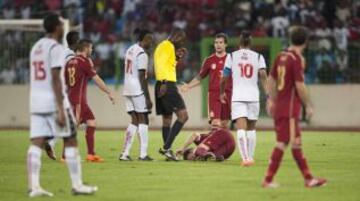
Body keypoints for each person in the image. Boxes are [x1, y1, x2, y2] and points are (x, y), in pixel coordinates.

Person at [27, 13, 97, 197]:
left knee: (37, 141)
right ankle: (77, 185)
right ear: (56, 27)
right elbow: (56, 80)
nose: (62, 27)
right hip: (53, 99)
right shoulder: (55, 48)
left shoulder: (36, 47)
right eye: (60, 24)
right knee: (71, 138)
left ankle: (34, 187)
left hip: (36, 100)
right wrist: (60, 107)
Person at [263, 26, 327, 188]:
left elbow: (270, 81)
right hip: (290, 109)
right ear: (305, 42)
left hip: (281, 108)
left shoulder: (280, 56)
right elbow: (299, 86)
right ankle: (268, 180)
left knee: (293, 143)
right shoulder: (296, 59)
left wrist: (272, 100)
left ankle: (308, 178)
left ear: (291, 39)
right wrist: (308, 106)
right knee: (284, 143)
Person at [220, 31, 268, 166]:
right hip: (253, 96)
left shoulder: (231, 56)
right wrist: (268, 96)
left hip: (238, 97)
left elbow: (224, 77)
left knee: (241, 128)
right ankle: (250, 157)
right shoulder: (258, 57)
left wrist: (221, 92)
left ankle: (245, 159)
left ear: (239, 42)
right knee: (251, 128)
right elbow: (264, 77)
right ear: (250, 42)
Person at [64, 39, 115, 162]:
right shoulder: (84, 62)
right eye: (91, 48)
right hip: (78, 100)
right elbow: (97, 79)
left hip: (73, 97)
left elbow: (65, 82)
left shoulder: (69, 62)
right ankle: (65, 156)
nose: (92, 50)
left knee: (91, 122)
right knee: (73, 127)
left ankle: (91, 154)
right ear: (85, 48)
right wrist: (109, 92)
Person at [180, 33, 231, 128]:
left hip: (227, 94)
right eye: (216, 42)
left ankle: (223, 142)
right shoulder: (209, 60)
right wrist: (189, 85)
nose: (218, 45)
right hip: (214, 95)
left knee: (224, 124)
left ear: (226, 45)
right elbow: (200, 76)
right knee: (215, 123)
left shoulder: (231, 59)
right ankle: (213, 142)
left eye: (221, 42)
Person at [119, 28, 154, 161]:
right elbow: (141, 77)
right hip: (137, 89)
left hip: (127, 88)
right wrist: (148, 98)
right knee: (144, 119)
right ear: (142, 39)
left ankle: (125, 153)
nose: (151, 42)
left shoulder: (130, 49)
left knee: (134, 120)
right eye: (148, 39)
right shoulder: (142, 54)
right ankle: (143, 154)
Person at [154, 27, 188, 161]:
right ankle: (166, 147)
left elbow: (167, 64)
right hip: (167, 83)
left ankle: (167, 151)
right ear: (175, 36)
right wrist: (163, 82)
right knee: (183, 116)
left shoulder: (164, 46)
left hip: (162, 83)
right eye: (180, 38)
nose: (181, 42)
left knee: (167, 119)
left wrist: (177, 58)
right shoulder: (167, 45)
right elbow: (161, 65)